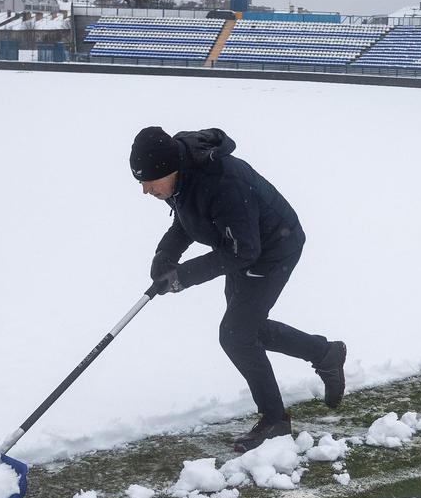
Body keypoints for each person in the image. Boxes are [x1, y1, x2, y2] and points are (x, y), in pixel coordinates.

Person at [131, 126, 347, 451]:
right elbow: (187, 218)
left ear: (169, 169)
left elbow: (244, 251)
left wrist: (182, 277)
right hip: (239, 246)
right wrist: (166, 254)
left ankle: (275, 420)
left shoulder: (221, 182)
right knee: (247, 329)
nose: (145, 190)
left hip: (273, 248)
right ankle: (325, 353)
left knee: (236, 334)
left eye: (149, 181)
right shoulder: (183, 177)